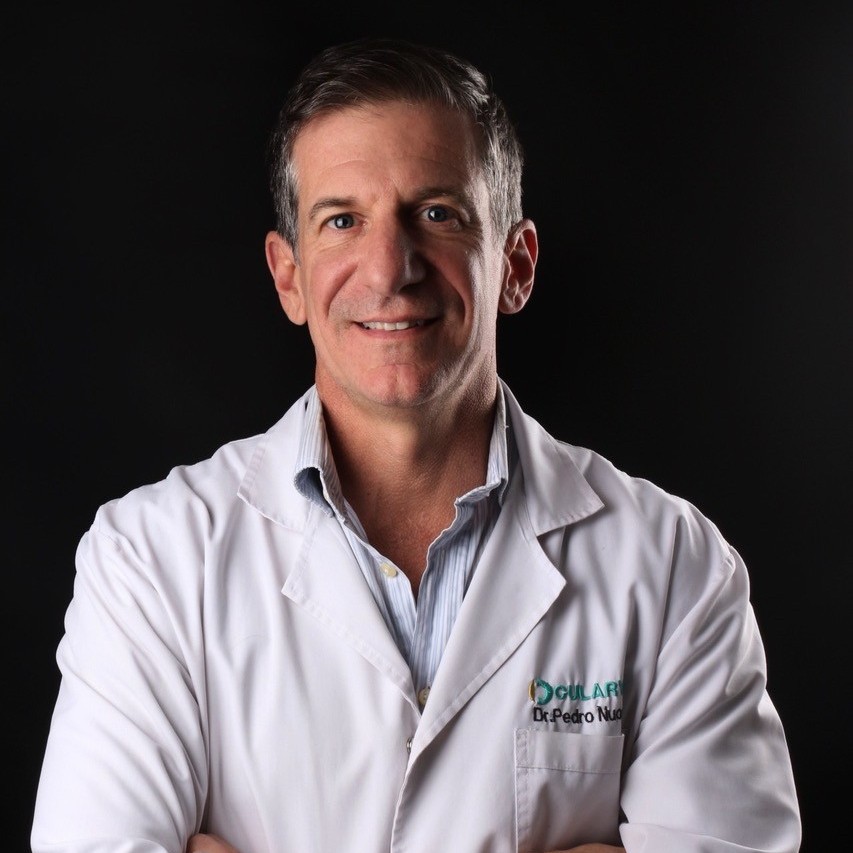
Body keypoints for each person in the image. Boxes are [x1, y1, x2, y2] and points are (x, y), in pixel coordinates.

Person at [31, 37, 801, 853]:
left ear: (514, 264)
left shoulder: (672, 566)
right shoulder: (151, 558)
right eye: (341, 221)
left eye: (436, 213)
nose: (388, 269)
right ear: (289, 277)